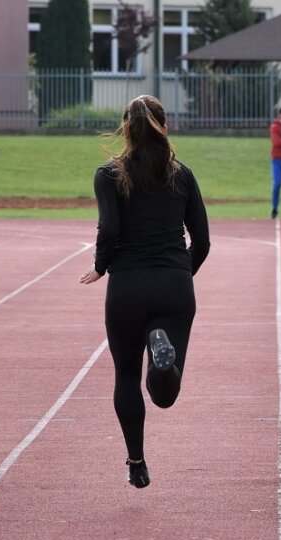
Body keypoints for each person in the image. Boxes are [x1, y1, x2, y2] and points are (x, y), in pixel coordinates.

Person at [79, 95, 210, 489]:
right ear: (163, 126)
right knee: (165, 394)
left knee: (124, 376)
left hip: (127, 287)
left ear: (125, 129)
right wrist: (181, 273)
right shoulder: (182, 174)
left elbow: (111, 231)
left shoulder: (108, 175)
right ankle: (162, 354)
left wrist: (102, 266)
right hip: (173, 284)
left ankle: (136, 462)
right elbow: (201, 241)